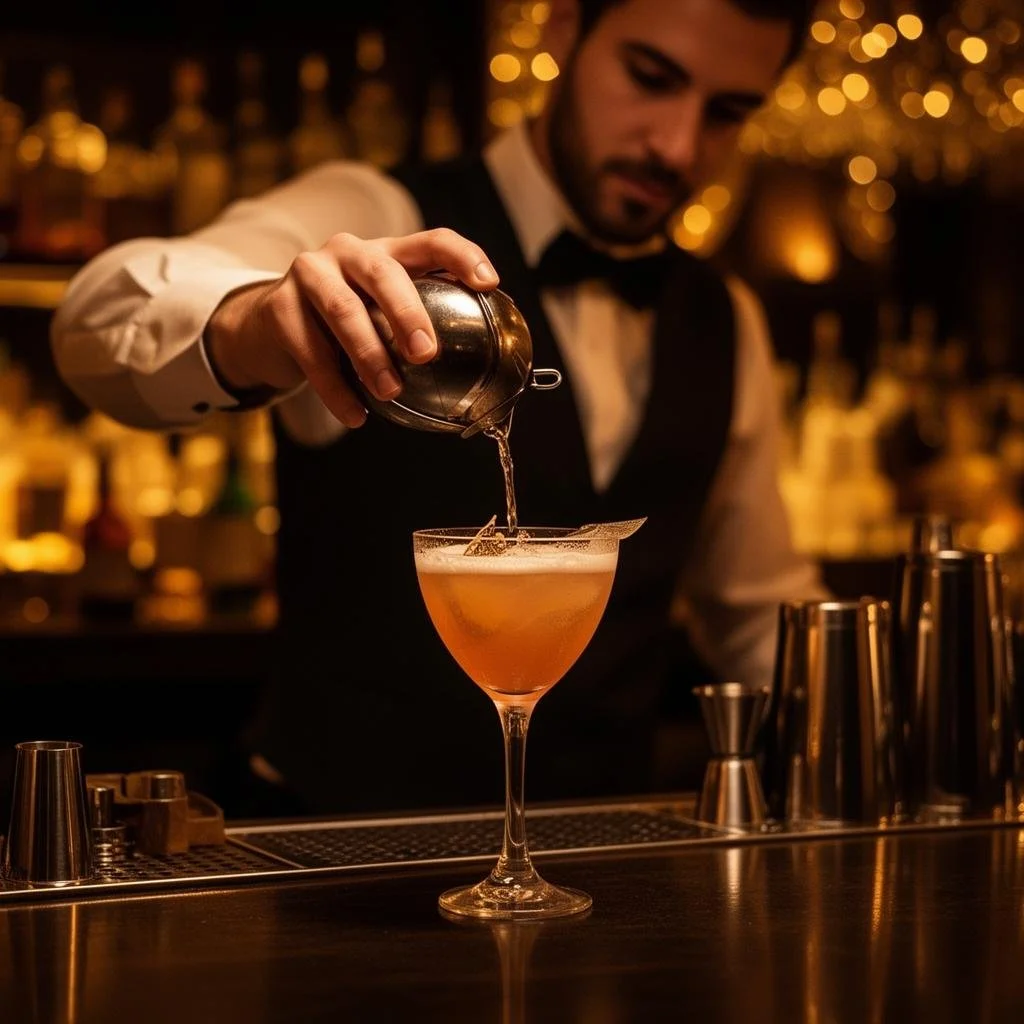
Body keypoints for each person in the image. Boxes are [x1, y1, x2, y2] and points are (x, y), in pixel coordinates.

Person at [52, 0, 825, 816]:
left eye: (727, 112)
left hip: (601, 866)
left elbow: (755, 614)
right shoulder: (375, 214)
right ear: (563, 31)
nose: (676, 145)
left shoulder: (725, 316)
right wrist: (255, 324)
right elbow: (99, 317)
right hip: (333, 857)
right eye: (649, 77)